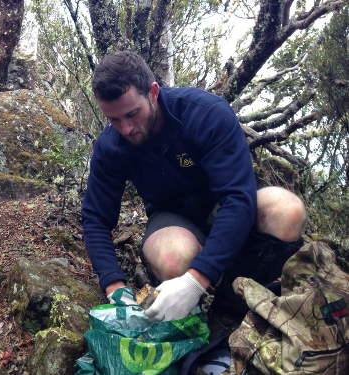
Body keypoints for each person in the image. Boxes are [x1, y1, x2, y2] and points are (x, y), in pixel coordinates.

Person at [81, 50, 307, 322]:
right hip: (172, 218)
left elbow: (237, 198)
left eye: (132, 114)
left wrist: (196, 281)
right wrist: (113, 285)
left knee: (287, 209)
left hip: (221, 206)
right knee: (173, 259)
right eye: (113, 120)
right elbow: (95, 216)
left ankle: (229, 315)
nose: (126, 129)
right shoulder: (110, 146)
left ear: (153, 92)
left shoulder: (206, 114)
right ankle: (189, 322)